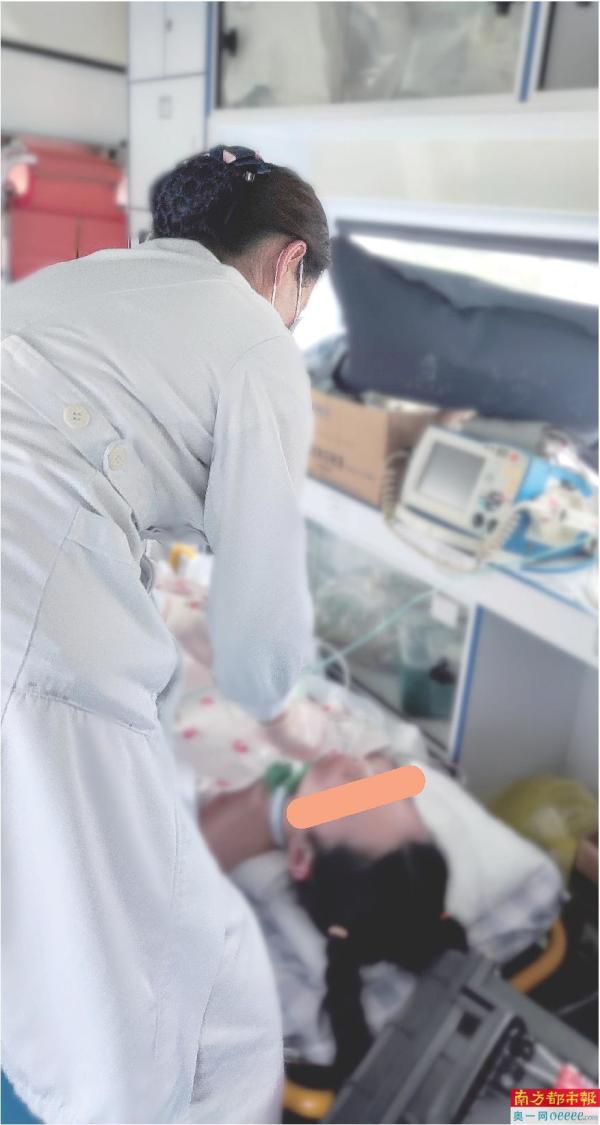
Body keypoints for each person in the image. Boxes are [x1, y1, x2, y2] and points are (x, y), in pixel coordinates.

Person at [1, 145, 330, 1124]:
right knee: (139, 1010)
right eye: (301, 300)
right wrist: (289, 717)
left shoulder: (71, 282)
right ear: (290, 262)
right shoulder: (256, 340)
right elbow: (262, 638)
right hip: (28, 612)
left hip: (38, 581)